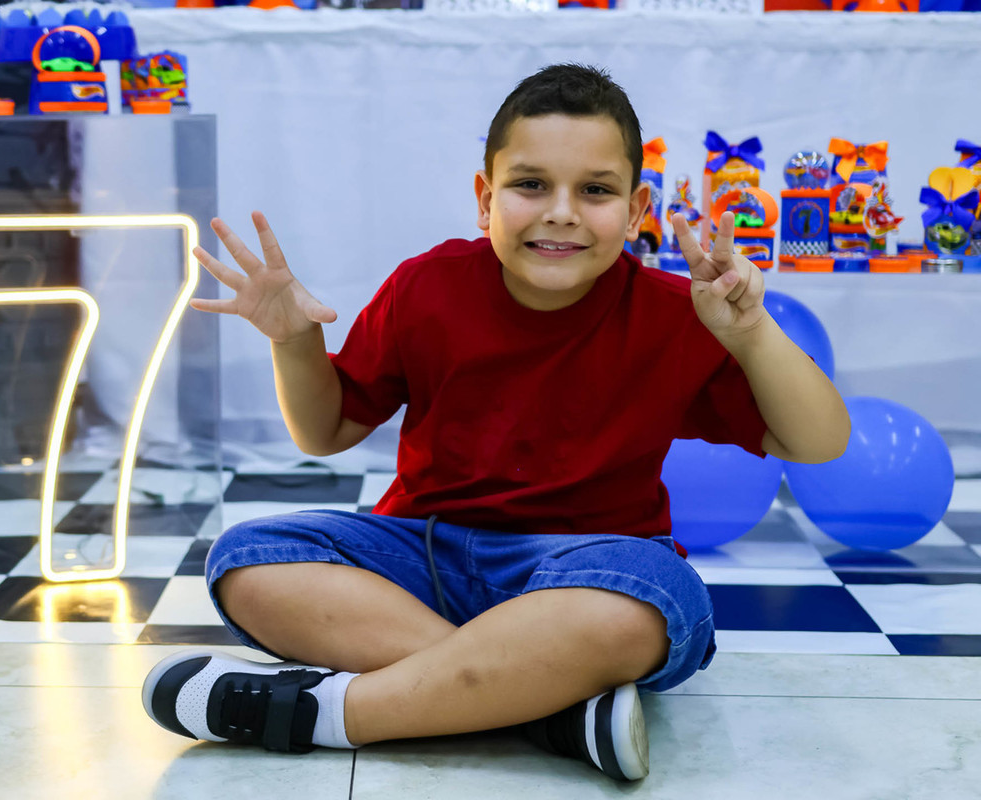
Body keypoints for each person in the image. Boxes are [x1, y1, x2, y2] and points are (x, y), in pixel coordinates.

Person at [141, 63, 850, 782]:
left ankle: (331, 714)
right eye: (531, 184)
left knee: (654, 600)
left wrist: (751, 331)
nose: (562, 212)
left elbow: (819, 442)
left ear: (638, 209)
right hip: (425, 555)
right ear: (485, 199)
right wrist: (294, 342)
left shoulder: (677, 312)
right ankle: (545, 708)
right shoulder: (426, 285)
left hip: (589, 568)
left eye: (596, 191)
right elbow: (326, 433)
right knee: (248, 560)